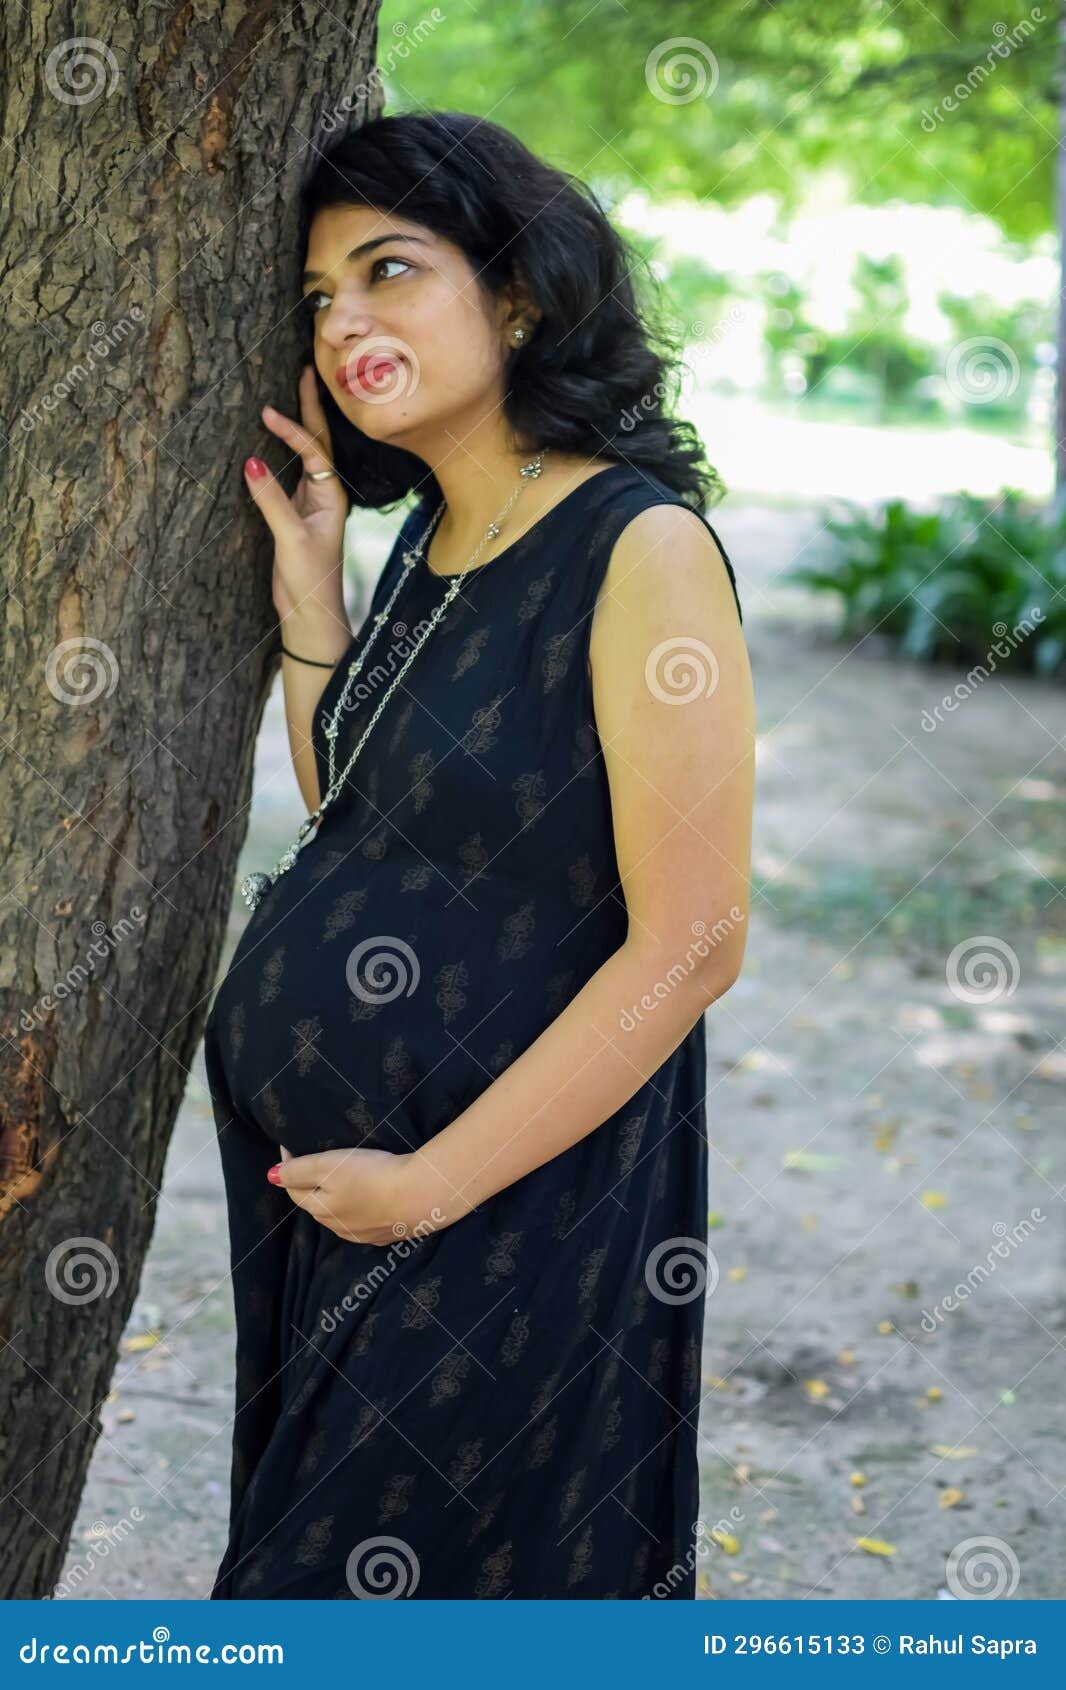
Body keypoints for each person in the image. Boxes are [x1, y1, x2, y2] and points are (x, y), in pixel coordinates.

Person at [203, 109, 753, 1600]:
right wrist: (313, 602)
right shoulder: (435, 538)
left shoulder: (638, 549)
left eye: (389, 270)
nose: (345, 322)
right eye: (321, 297)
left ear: (514, 292)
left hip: (512, 1212)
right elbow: (370, 816)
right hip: (355, 1208)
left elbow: (695, 941)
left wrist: (432, 1186)